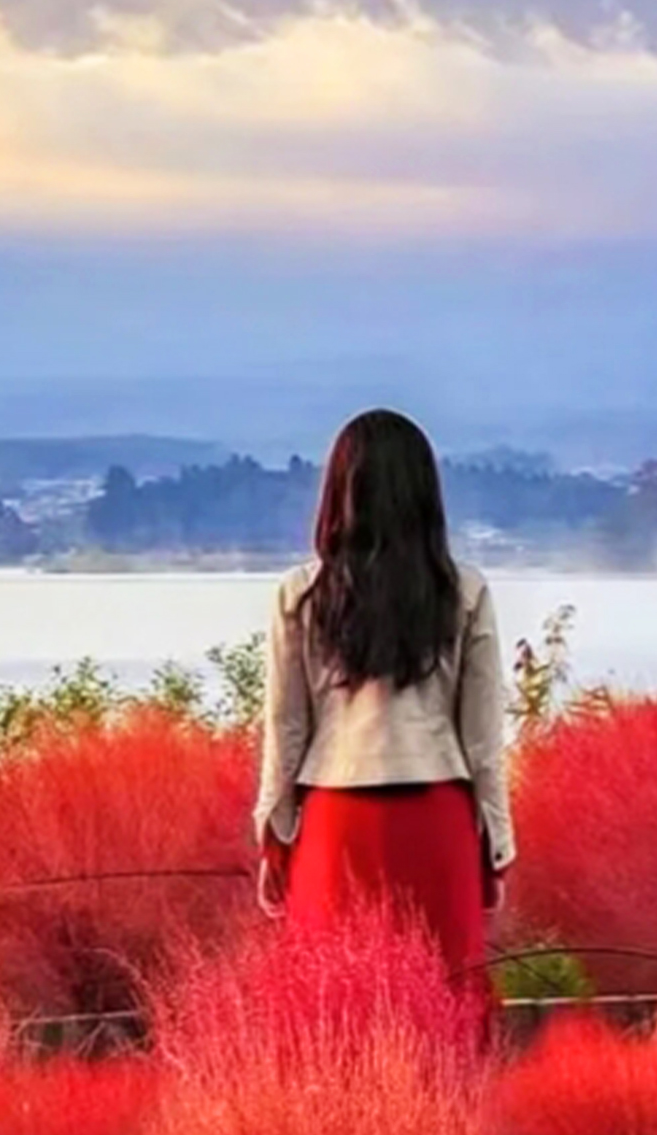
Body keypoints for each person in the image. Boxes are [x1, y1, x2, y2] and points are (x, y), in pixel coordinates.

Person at [253, 408, 513, 985]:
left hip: (334, 820)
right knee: (445, 998)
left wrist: (274, 837)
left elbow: (285, 727)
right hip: (438, 816)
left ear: (338, 491)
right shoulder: (465, 591)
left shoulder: (300, 594)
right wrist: (495, 847)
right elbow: (483, 740)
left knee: (335, 1005)